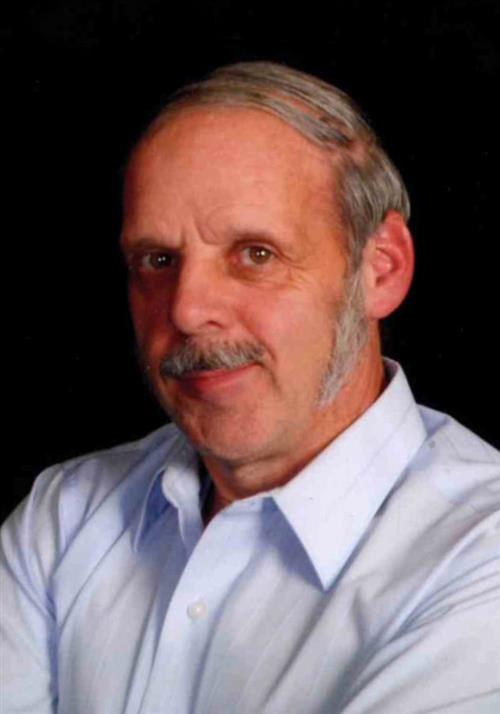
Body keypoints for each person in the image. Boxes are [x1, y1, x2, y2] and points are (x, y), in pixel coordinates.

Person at [1, 61, 499, 714]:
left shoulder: (481, 555)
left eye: (255, 254)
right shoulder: (65, 517)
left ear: (381, 270)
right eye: (157, 260)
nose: (186, 310)